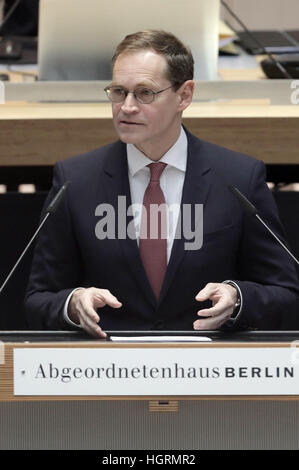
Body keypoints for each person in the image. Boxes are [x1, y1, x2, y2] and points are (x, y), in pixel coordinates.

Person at [24, 30, 299, 337]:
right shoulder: (75, 181)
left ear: (184, 95)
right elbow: (38, 299)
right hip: (108, 372)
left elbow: (285, 293)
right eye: (118, 91)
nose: (127, 106)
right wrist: (73, 304)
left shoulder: (238, 178)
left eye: (145, 93)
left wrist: (238, 299)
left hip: (207, 372)